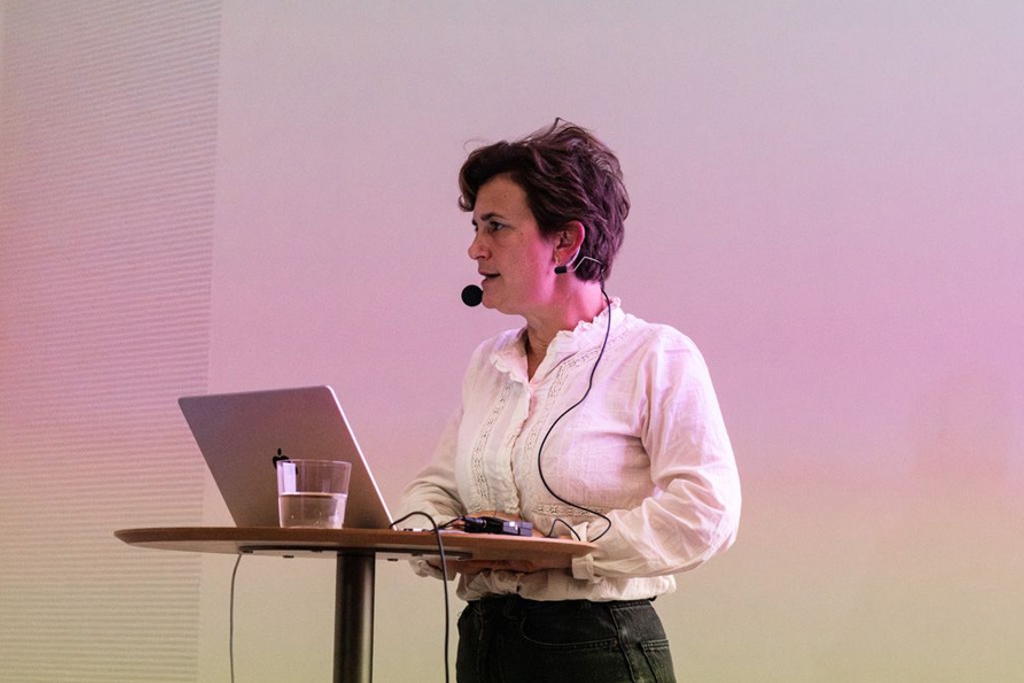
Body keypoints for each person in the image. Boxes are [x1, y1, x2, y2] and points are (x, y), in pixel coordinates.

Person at [396, 120, 741, 683]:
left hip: (596, 648)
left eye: (496, 226)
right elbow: (433, 490)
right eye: (476, 227)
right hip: (484, 644)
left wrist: (566, 550)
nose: (475, 248)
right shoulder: (489, 364)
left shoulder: (654, 354)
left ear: (566, 242)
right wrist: (441, 535)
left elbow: (708, 511)